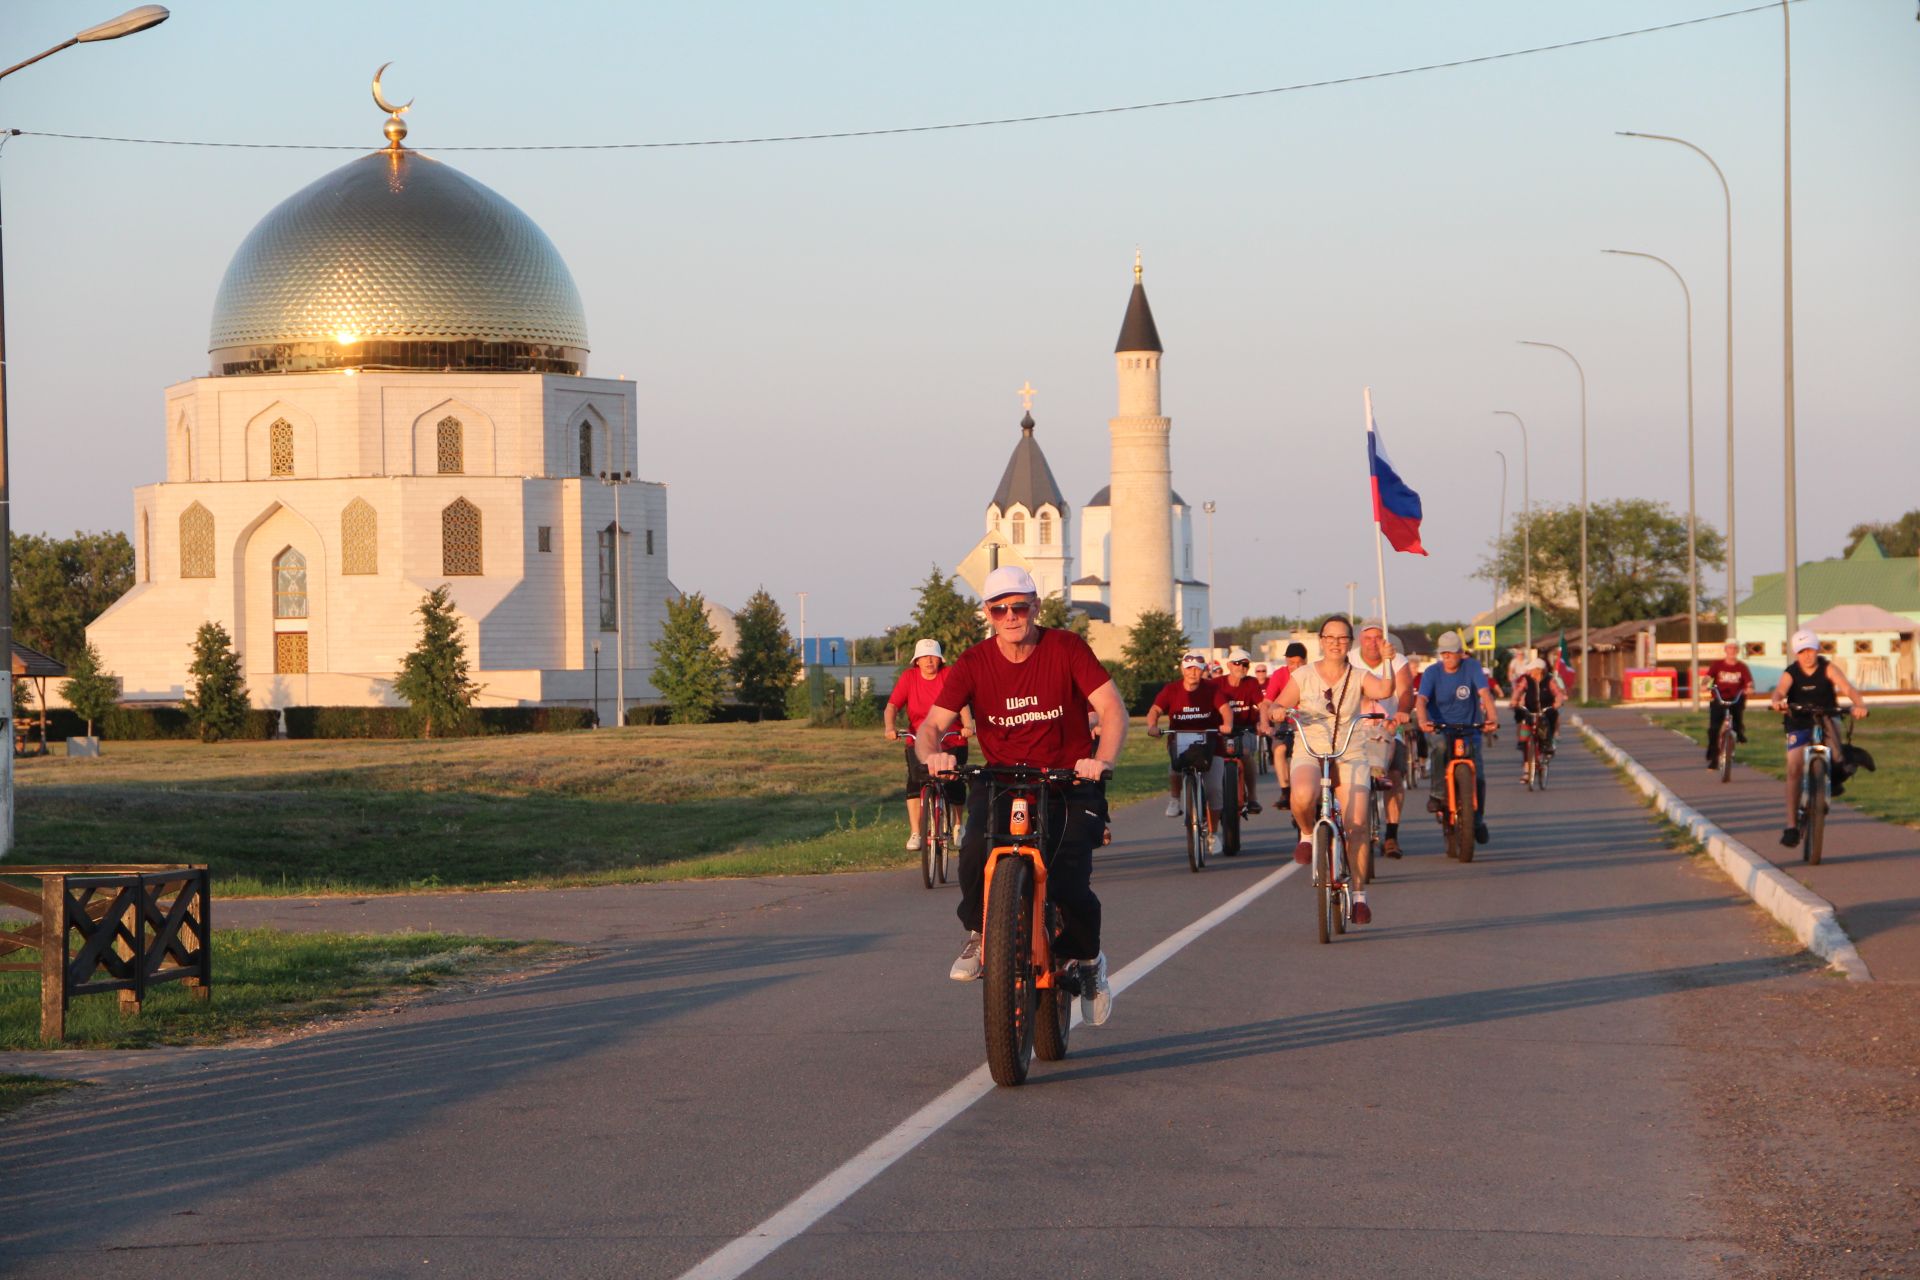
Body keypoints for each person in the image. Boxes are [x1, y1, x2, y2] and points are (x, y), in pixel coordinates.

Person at [918, 565, 1124, 1025]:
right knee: (972, 850)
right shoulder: (973, 662)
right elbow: (931, 726)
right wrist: (933, 754)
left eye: (1019, 606)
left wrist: (1101, 760)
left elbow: (1112, 709)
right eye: (999, 608)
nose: (1010, 616)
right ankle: (979, 931)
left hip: (1069, 779)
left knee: (1070, 882)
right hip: (1002, 778)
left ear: (1035, 607)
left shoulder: (1067, 648)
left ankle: (1088, 962)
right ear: (988, 614)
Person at [1267, 618, 1399, 923]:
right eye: (1330, 637)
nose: (1336, 643)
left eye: (1342, 638)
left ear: (1349, 642)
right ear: (1321, 640)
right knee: (1301, 795)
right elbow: (1280, 703)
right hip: (1310, 751)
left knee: (1357, 825)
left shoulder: (1359, 675)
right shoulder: (1303, 675)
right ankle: (1306, 833)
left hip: (1350, 753)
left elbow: (1385, 689)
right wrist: (1277, 711)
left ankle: (1359, 894)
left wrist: (1389, 662)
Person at [1766, 629, 1868, 848]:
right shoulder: (1791, 672)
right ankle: (1791, 826)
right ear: (1796, 654)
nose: (1807, 655)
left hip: (1826, 717)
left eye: (1811, 650)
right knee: (1793, 766)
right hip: (1799, 722)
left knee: (1838, 756)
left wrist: (1859, 704)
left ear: (1817, 650)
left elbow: (1847, 688)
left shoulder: (1828, 668)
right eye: (1802, 651)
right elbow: (1779, 691)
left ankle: (1831, 780)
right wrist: (1777, 702)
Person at [884, 638, 973, 849]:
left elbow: (961, 704)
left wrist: (968, 725)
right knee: (915, 780)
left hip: (951, 736)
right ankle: (916, 832)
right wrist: (890, 728)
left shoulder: (948, 674)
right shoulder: (909, 678)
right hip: (918, 739)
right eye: (923, 657)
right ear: (917, 661)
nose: (929, 661)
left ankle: (959, 826)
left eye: (933, 656)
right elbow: (891, 707)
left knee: (954, 779)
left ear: (940, 659)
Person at [1146, 651, 1235, 856]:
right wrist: (1152, 726)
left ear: (1203, 670)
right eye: (1189, 668)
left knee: (1214, 789)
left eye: (1197, 668)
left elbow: (1225, 710)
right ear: (1182, 669)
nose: (1193, 672)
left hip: (1211, 744)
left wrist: (1227, 724)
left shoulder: (1212, 689)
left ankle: (1213, 834)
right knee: (1175, 767)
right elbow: (1155, 710)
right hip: (1180, 741)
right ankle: (1175, 799)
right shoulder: (1171, 690)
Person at [1416, 630, 1499, 846]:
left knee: (1478, 776)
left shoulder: (1471, 667)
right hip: (1440, 727)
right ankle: (1436, 794)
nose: (1448, 659)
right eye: (1444, 654)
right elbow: (1421, 701)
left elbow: (1484, 694)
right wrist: (1423, 721)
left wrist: (1492, 717)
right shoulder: (1432, 672)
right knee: (1441, 747)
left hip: (1470, 728)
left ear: (1461, 653)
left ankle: (1477, 821)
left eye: (1451, 654)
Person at [1353, 620, 1415, 858]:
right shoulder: (1350, 660)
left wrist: (1402, 712)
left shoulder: (1396, 660)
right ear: (1360, 639)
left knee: (1396, 774)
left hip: (1388, 728)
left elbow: (1406, 690)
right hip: (1356, 730)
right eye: (1367, 638)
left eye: (1377, 638)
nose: (1372, 643)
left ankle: (1391, 835)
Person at [1217, 646, 1268, 817]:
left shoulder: (1251, 683)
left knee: (1245, 754)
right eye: (1237, 663)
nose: (1241, 667)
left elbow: (1262, 706)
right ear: (1229, 665)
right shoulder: (1217, 684)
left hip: (1244, 729)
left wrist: (1263, 722)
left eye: (1245, 664)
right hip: (1220, 730)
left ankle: (1252, 797)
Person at [1262, 642, 1310, 817]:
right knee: (1279, 749)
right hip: (1285, 721)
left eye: (1299, 663)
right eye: (1291, 663)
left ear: (1306, 661)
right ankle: (1285, 790)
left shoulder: (1313, 674)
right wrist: (1266, 724)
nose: (1295, 667)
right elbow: (1267, 703)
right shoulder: (1279, 675)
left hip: (1307, 721)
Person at [1704, 639, 1754, 766]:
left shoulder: (1742, 667)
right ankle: (1714, 754)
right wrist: (1704, 684)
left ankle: (1739, 732)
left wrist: (1749, 688)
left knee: (1737, 720)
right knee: (1714, 728)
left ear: (1737, 651)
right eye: (1729, 648)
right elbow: (1708, 677)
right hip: (1719, 698)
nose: (1732, 651)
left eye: (1735, 648)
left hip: (1735, 699)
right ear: (1725, 650)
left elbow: (1749, 682)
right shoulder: (1717, 665)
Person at [1510, 656, 1560, 772]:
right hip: (1530, 709)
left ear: (1538, 670)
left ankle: (1547, 745)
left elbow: (1558, 693)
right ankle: (1524, 747)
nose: (1529, 672)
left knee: (1545, 726)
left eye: (1532, 670)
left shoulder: (1549, 680)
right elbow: (1518, 690)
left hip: (1545, 710)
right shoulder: (1526, 680)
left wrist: (1558, 702)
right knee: (1524, 725)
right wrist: (1514, 700)